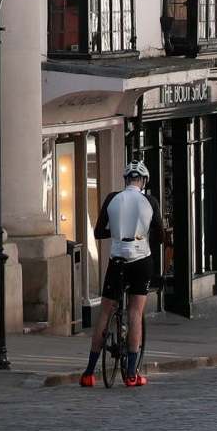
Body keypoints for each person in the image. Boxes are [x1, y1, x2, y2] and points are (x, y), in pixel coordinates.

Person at [79, 162, 156, 388]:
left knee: (104, 311)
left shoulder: (113, 198)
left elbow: (98, 232)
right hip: (141, 260)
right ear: (143, 181)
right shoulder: (149, 201)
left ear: (125, 180)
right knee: (135, 311)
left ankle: (89, 372)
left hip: (117, 260)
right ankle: (132, 374)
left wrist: (118, 232)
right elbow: (160, 233)